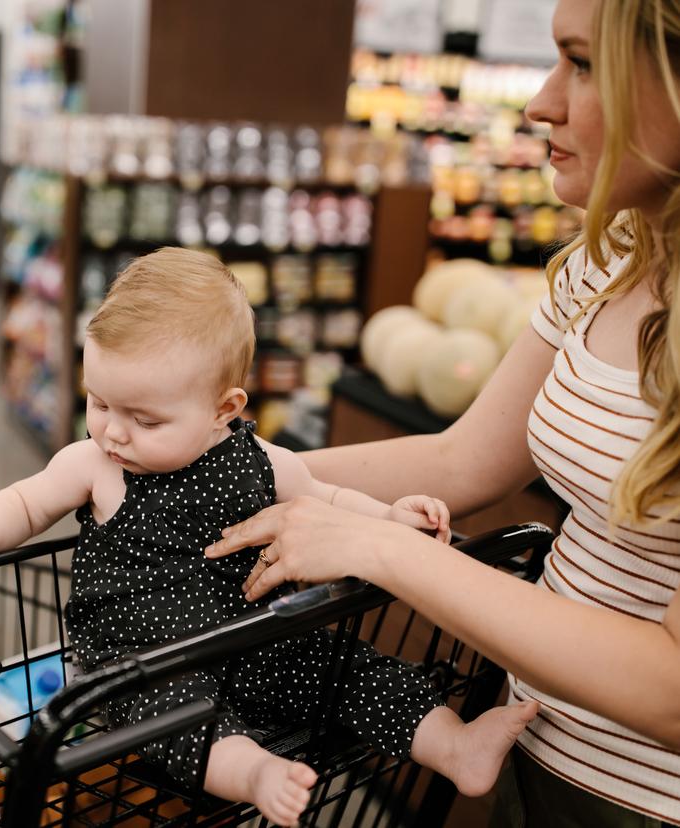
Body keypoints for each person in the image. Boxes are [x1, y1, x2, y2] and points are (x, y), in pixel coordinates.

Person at [205, 1, 680, 825]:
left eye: (583, 63)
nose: (541, 101)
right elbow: (463, 461)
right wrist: (203, 465)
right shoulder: (610, 259)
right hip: (537, 755)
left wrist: (390, 549)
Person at [0, 247, 538, 826]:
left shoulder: (264, 461)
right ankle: (254, 772)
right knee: (169, 720)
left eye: (145, 419)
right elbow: (26, 502)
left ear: (225, 407)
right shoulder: (94, 466)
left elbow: (327, 500)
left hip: (257, 642)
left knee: (349, 667)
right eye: (99, 403)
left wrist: (392, 518)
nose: (114, 433)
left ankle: (454, 744)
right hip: (143, 661)